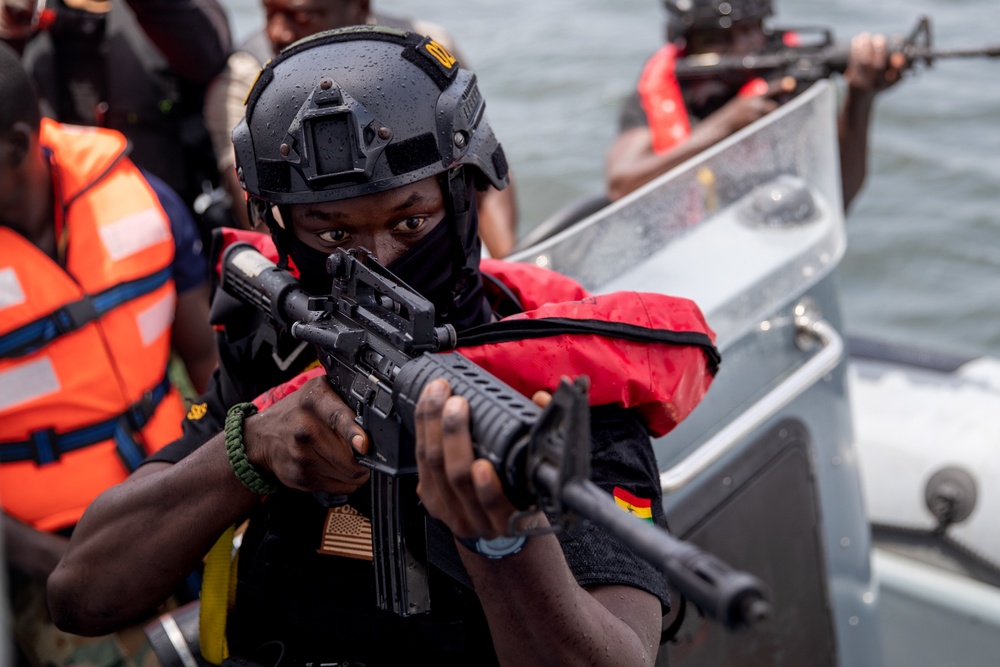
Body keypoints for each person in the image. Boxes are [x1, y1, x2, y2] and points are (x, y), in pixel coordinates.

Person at [47, 26, 722, 665]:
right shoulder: (279, 349)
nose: (379, 260)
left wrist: (504, 538)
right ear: (281, 228)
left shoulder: (561, 386)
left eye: (412, 220)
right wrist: (249, 449)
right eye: (332, 234)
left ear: (464, 199)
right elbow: (80, 594)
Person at [0, 42, 214, 666]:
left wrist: (223, 498)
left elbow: (206, 362)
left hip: (180, 496)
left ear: (15, 147)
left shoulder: (144, 203)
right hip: (50, 551)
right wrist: (59, 563)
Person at [204, 0, 519, 257]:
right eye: (269, 13)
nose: (278, 32)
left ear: (359, 7)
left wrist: (508, 258)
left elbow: (480, 159)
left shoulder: (427, 53)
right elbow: (255, 201)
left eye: (301, 16)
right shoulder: (245, 80)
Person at [606, 0, 908, 209]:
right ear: (688, 43)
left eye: (751, 29)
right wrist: (724, 126)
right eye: (719, 37)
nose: (742, 47)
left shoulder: (789, 82)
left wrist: (860, 99)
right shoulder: (669, 89)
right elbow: (622, 184)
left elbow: (839, 195)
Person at [6, 0, 234, 241]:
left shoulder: (171, 16)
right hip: (47, 233)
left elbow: (210, 55)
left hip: (162, 226)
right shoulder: (25, 16)